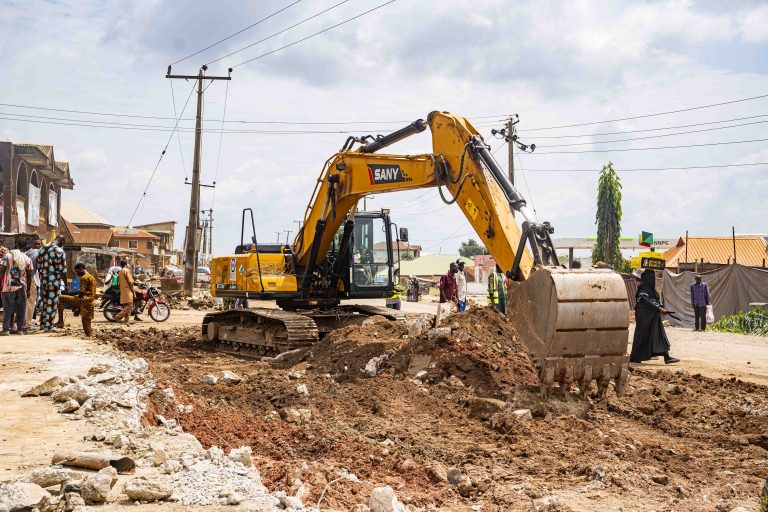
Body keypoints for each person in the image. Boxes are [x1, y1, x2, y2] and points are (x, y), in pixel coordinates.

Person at [630, 269, 680, 364]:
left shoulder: (650, 288)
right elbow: (645, 299)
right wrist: (659, 308)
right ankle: (635, 356)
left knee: (658, 334)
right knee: (642, 335)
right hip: (644, 316)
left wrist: (660, 306)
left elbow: (654, 300)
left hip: (652, 315)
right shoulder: (643, 287)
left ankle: (666, 356)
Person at [58, 263, 97, 336]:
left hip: (83, 301)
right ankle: (90, 336)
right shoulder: (92, 277)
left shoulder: (84, 278)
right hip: (90, 302)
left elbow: (82, 293)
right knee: (86, 323)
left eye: (77, 271)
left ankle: (60, 321)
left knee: (61, 298)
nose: (76, 273)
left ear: (81, 269)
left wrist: (76, 305)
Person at [37, 235, 67, 331]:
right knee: (52, 303)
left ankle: (43, 324)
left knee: (45, 302)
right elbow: (63, 270)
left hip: (43, 280)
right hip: (54, 282)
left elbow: (38, 265)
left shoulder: (42, 249)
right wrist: (65, 284)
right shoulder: (59, 251)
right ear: (62, 242)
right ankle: (49, 326)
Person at [0, 249, 32, 335]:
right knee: (21, 308)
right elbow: (29, 275)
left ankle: (6, 330)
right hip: (22, 286)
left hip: (9, 286)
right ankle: (20, 329)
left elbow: (2, 270)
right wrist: (28, 290)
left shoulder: (7, 256)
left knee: (7, 308)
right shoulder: (27, 259)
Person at [24, 237, 42, 330]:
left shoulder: (27, 252)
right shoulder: (38, 253)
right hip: (31, 279)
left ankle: (24, 321)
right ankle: (27, 323)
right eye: (36, 244)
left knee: (26, 301)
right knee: (31, 301)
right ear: (32, 244)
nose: (38, 246)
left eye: (39, 244)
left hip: (24, 279)